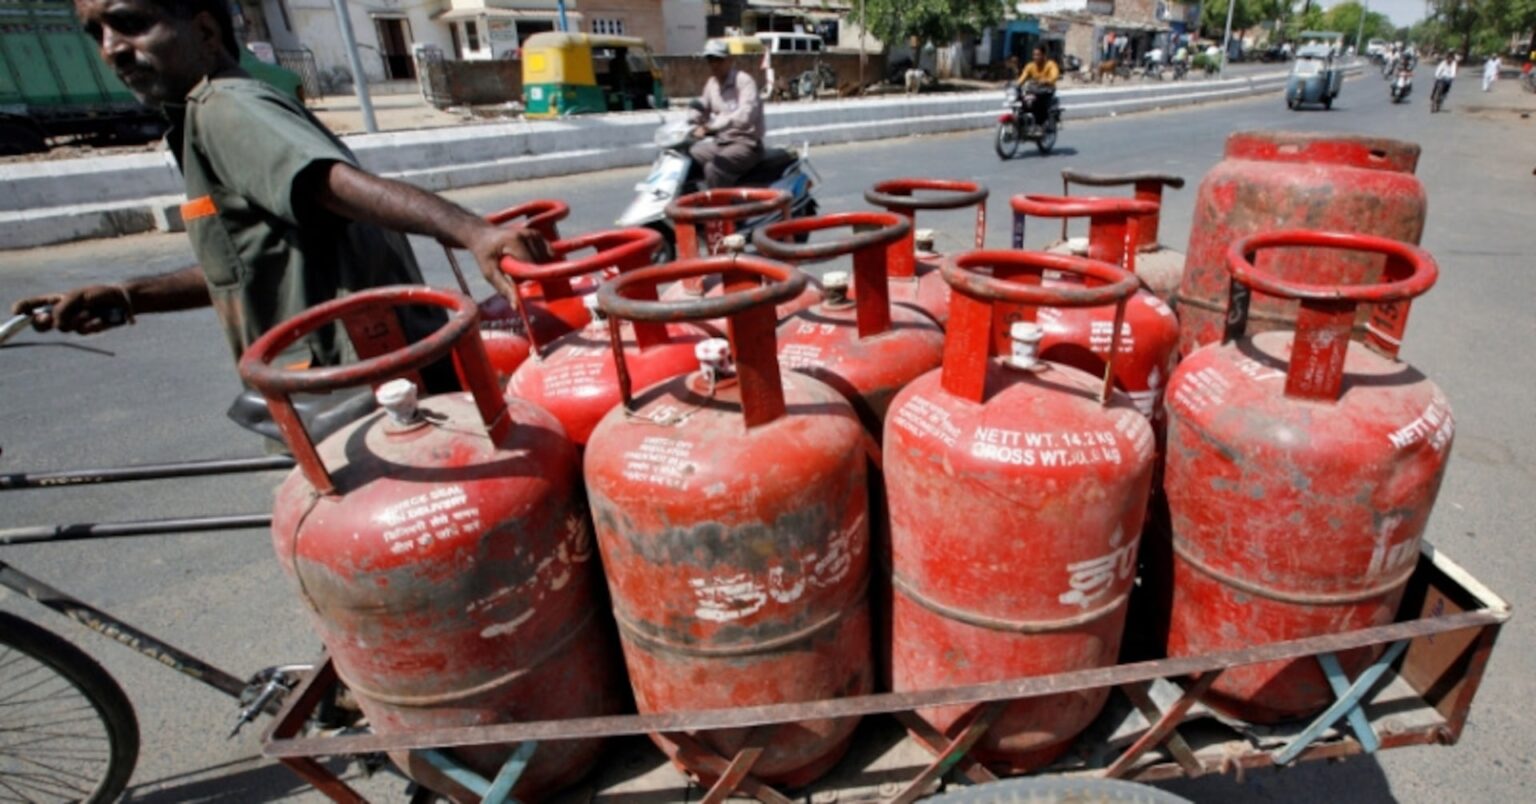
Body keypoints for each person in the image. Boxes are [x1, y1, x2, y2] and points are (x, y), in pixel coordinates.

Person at [15, 0, 551, 395]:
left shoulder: (222, 106)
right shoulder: (210, 116)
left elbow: (328, 182)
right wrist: (131, 294)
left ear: (203, 30)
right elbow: (248, 264)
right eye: (96, 33)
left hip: (355, 384)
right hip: (360, 370)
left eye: (130, 23)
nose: (111, 48)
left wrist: (473, 231)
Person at [689, 39, 765, 189]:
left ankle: (717, 210)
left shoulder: (744, 81)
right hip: (720, 143)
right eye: (710, 59)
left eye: (719, 59)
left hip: (746, 144)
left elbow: (746, 114)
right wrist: (693, 118)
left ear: (729, 60)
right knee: (684, 159)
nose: (714, 64)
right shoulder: (711, 84)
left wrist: (715, 126)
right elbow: (702, 108)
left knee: (714, 169)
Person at [1016, 47, 1059, 129]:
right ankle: (1022, 123)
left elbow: (1054, 76)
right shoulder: (1030, 66)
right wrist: (1016, 85)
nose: (1035, 57)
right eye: (1034, 55)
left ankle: (1040, 124)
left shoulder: (1050, 65)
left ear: (1044, 55)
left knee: (1039, 102)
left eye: (1038, 55)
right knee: (1023, 100)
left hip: (1047, 90)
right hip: (1034, 90)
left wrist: (1046, 80)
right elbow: (1023, 76)